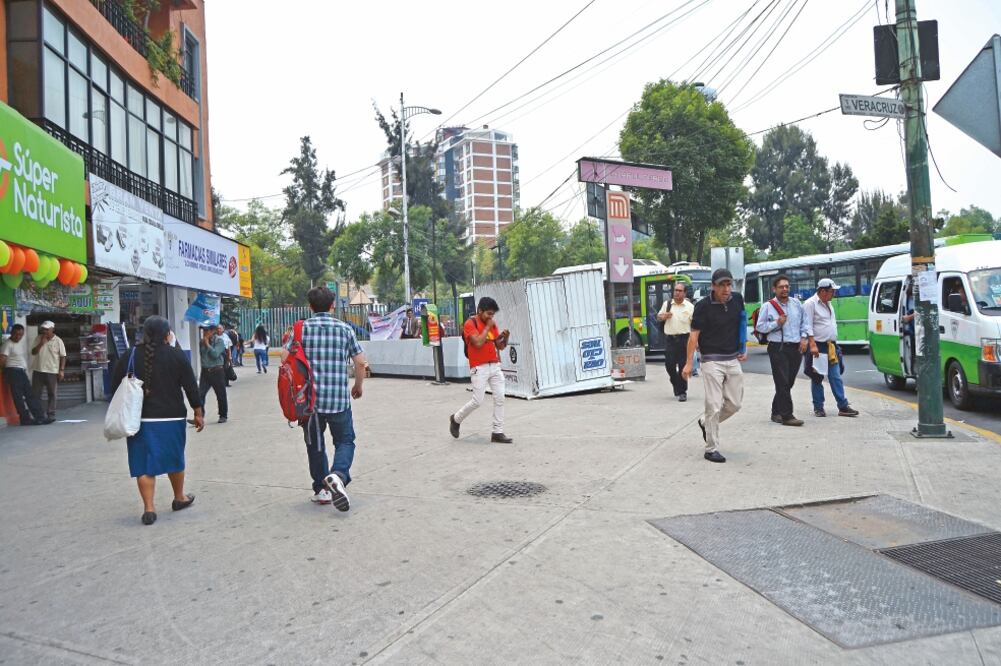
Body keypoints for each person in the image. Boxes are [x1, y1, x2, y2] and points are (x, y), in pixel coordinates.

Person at [111, 316, 204, 525]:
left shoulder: (131, 355)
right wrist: (198, 412)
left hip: (139, 419)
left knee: (143, 463)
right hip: (172, 417)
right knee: (174, 458)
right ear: (167, 334)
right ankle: (179, 497)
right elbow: (191, 386)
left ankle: (149, 508)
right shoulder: (177, 356)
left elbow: (116, 381)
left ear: (145, 334)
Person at [283, 286, 366, 511]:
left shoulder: (301, 330)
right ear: (332, 306)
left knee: (315, 445)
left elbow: (285, 359)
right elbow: (360, 362)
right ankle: (338, 475)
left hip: (309, 403)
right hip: (339, 400)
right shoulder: (344, 329)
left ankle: (321, 490)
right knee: (345, 441)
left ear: (310, 307)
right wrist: (357, 386)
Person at [683, 269, 747, 464]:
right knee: (713, 404)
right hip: (711, 360)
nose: (726, 289)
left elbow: (741, 324)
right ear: (713, 286)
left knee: (735, 404)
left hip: (732, 358)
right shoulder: (702, 307)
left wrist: (743, 346)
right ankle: (711, 449)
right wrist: (688, 364)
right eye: (722, 285)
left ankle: (705, 423)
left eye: (729, 285)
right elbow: (694, 336)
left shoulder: (737, 299)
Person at [449, 296, 513, 443]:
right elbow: (477, 342)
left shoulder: (491, 324)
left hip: (494, 365)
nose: (491, 317)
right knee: (477, 400)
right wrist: (488, 327)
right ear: (480, 311)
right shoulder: (469, 324)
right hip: (479, 367)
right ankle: (456, 419)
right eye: (488, 314)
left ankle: (497, 432)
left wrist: (505, 338)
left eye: (493, 314)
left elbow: (500, 346)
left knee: (500, 397)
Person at [754, 275, 808, 426]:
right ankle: (787, 416)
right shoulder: (768, 306)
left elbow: (805, 322)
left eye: (787, 286)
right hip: (778, 347)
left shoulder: (797, 304)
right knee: (782, 381)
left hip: (796, 347)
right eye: (781, 287)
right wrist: (777, 323)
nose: (784, 289)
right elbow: (760, 327)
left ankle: (776, 411)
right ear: (774, 289)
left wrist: (804, 338)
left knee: (788, 382)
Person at [803, 278, 859, 418]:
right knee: (817, 377)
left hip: (831, 346)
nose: (833, 294)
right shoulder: (810, 304)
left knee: (836, 377)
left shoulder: (829, 304)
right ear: (822, 291)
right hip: (818, 346)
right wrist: (812, 344)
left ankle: (843, 406)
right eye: (831, 291)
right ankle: (819, 407)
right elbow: (807, 325)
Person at [0, 325, 53, 425]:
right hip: (13, 372)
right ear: (11, 333)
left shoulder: (19, 343)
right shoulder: (7, 344)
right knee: (19, 397)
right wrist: (5, 371)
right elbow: (2, 360)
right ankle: (25, 419)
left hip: (20, 372)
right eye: (16, 334)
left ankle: (40, 417)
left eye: (20, 335)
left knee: (30, 395)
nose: (18, 337)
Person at [657, 282, 695, 401]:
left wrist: (696, 342)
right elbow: (658, 317)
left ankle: (682, 392)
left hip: (685, 340)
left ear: (684, 293)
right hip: (670, 340)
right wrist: (663, 317)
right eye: (675, 290)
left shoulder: (690, 307)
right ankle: (675, 382)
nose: (677, 293)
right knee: (669, 366)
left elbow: (694, 326)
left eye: (679, 291)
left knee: (683, 367)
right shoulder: (667, 304)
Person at [31, 320, 66, 420]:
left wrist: (61, 370)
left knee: (52, 394)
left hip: (52, 371)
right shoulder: (38, 338)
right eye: (43, 329)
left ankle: (51, 415)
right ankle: (39, 415)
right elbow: (33, 352)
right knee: (36, 394)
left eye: (47, 329)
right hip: (38, 370)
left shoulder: (58, 341)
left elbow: (63, 356)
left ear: (52, 329)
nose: (45, 331)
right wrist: (41, 343)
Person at [196, 325, 228, 423]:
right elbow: (203, 357)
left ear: (212, 331)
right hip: (205, 371)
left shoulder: (219, 341)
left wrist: (207, 344)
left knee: (220, 394)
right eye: (203, 330)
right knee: (200, 394)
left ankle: (223, 415)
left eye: (206, 330)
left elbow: (215, 354)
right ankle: (199, 416)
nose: (204, 332)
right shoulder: (201, 342)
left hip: (217, 370)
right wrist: (204, 343)